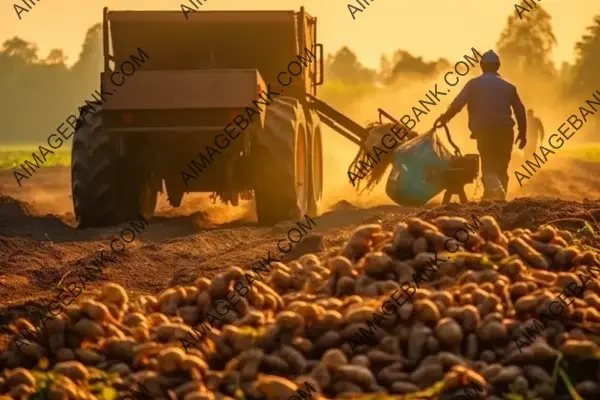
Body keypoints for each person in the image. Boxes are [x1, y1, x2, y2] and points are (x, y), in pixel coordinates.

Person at [434, 50, 527, 200]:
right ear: (498, 66)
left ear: (482, 66)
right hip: (506, 132)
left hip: (485, 131)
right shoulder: (509, 87)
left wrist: (444, 118)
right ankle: (498, 199)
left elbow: (458, 104)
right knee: (502, 166)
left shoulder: (473, 85)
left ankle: (494, 195)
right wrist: (523, 133)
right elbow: (520, 110)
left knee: (488, 163)